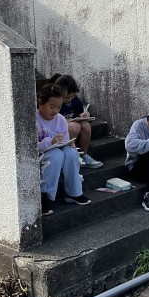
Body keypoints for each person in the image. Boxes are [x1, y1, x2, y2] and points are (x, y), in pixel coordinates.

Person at [37, 83, 91, 215]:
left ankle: (74, 192)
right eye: (52, 106)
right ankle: (45, 196)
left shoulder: (60, 119)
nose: (55, 110)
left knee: (71, 152)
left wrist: (69, 144)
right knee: (56, 155)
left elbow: (65, 139)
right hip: (41, 155)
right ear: (40, 103)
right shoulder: (33, 119)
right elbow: (32, 146)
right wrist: (50, 141)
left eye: (59, 107)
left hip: (56, 151)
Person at [46, 73, 103, 169]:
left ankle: (83, 155)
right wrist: (64, 121)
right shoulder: (53, 101)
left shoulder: (74, 100)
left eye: (72, 97)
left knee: (85, 124)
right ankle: (67, 157)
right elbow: (48, 120)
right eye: (66, 97)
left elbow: (80, 113)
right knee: (74, 126)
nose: (69, 100)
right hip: (55, 135)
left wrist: (86, 115)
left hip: (71, 131)